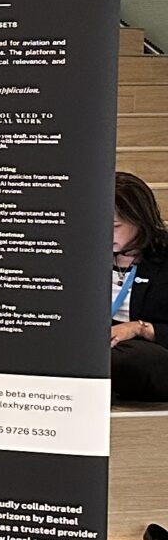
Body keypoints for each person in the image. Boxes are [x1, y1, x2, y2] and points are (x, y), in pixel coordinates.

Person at [115, 171, 168, 404]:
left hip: (146, 348)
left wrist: (140, 328)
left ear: (138, 219)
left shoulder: (163, 258)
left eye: (114, 226)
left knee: (141, 360)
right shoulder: (84, 256)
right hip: (97, 344)